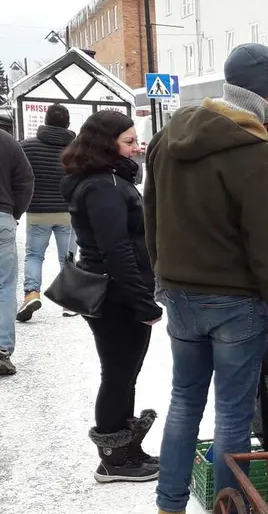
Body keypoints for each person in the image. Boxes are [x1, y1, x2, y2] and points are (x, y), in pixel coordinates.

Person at [145, 43, 268, 514]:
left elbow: (151, 217)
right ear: (260, 91)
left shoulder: (167, 137)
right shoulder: (252, 151)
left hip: (183, 298)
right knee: (232, 416)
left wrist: (160, 275)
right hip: (235, 304)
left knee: (184, 402)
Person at [62, 111, 161, 482]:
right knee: (119, 374)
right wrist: (142, 302)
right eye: (129, 142)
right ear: (107, 145)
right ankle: (114, 458)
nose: (137, 148)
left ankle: (124, 449)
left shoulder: (102, 180)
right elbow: (116, 250)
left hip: (114, 292)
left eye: (136, 141)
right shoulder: (103, 186)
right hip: (116, 296)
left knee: (123, 374)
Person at [18, 103, 77, 322]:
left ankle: (31, 294)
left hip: (38, 211)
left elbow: (22, 176)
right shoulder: (76, 148)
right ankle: (69, 302)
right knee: (68, 258)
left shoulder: (27, 147)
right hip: (68, 212)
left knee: (34, 255)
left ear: (45, 120)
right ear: (68, 123)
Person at [0, 128, 35, 376]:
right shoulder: (7, 141)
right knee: (3, 286)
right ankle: (1, 350)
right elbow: (25, 180)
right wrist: (13, 214)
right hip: (1, 216)